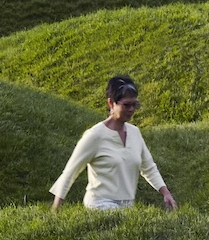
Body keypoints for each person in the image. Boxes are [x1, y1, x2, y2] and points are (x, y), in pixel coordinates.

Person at [51, 74, 177, 213]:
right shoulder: (94, 135)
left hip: (127, 206)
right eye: (126, 105)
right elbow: (70, 172)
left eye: (134, 104)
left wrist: (166, 193)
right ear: (111, 103)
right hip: (99, 204)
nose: (131, 109)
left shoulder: (135, 133)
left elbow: (148, 167)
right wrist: (55, 209)